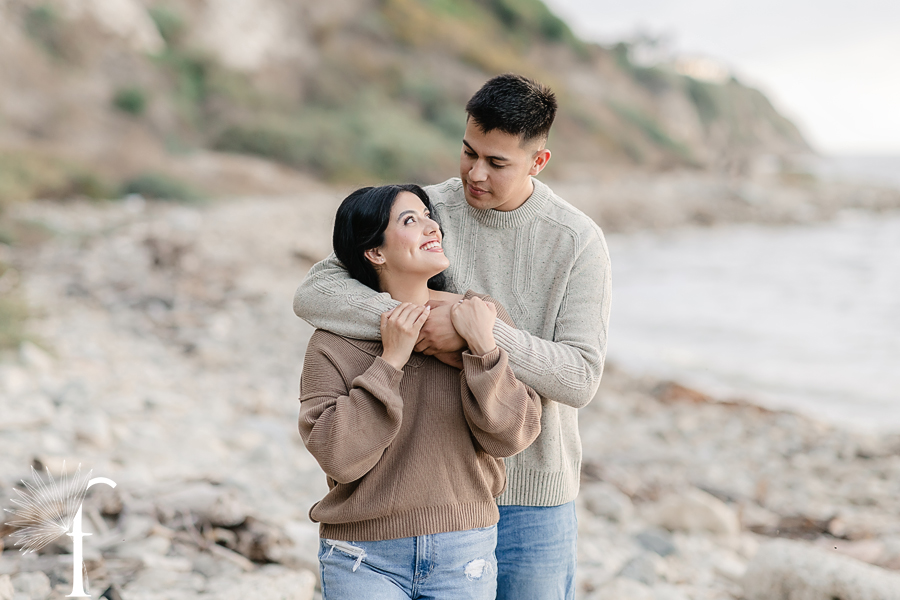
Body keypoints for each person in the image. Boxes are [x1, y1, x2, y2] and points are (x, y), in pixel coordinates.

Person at [294, 74, 612, 600]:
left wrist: (478, 333)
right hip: (425, 489)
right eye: (468, 152)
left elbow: (580, 378)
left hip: (535, 492)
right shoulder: (426, 211)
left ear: (539, 162)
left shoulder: (577, 241)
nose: (475, 173)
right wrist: (418, 313)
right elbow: (316, 290)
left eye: (496, 162)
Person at [298, 183, 542, 599]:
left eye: (429, 217)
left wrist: (483, 350)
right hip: (361, 555)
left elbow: (511, 436)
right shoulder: (333, 341)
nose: (432, 227)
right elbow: (339, 457)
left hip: (464, 551)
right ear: (375, 252)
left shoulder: (479, 317)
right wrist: (389, 362)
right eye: (411, 220)